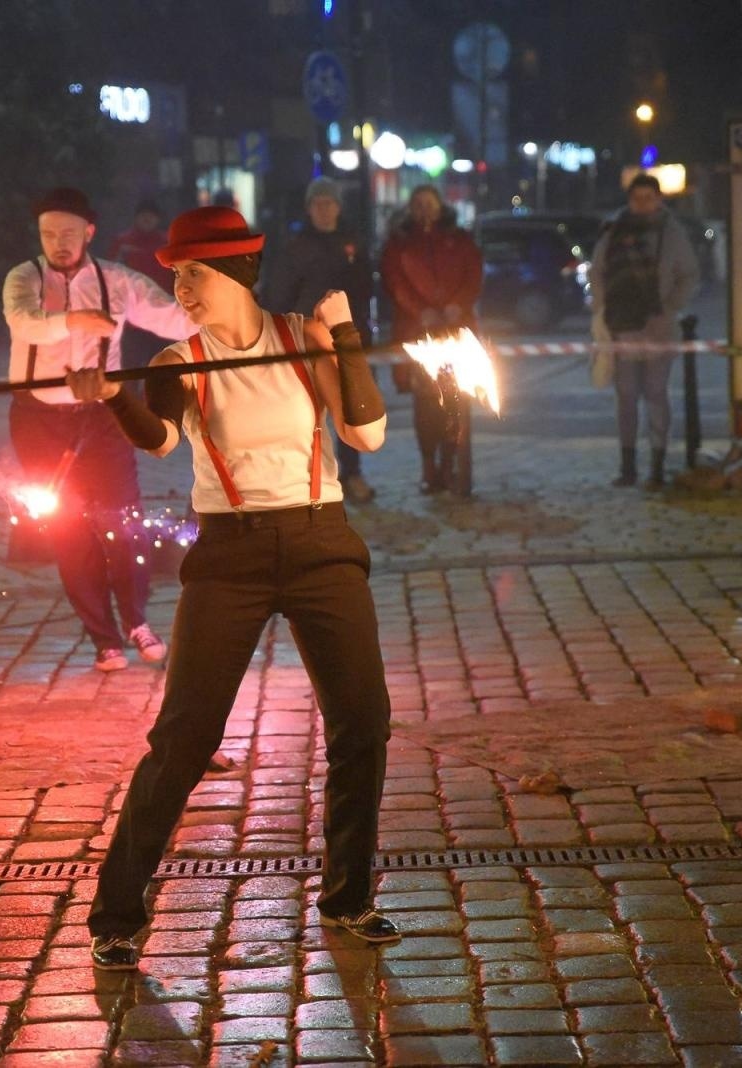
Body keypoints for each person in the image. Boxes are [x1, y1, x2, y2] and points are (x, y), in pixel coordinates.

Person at [65, 206, 398, 969]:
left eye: (193, 274)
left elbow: (367, 433)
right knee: (185, 736)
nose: (179, 288)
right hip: (230, 555)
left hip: (321, 541)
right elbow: (160, 440)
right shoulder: (178, 360)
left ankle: (350, 897)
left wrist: (343, 337)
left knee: (363, 725)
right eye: (174, 276)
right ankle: (116, 914)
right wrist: (114, 396)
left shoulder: (300, 337)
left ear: (237, 272)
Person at [2, 187, 193, 672]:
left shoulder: (118, 280)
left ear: (89, 232)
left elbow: (170, 317)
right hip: (39, 419)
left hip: (101, 418)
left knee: (123, 521)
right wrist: (74, 319)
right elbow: (25, 323)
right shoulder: (23, 277)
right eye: (48, 234)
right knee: (69, 531)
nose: (58, 242)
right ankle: (103, 637)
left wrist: (224, 312)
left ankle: (136, 620)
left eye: (68, 233)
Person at [266, 176, 377, 504]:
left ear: (339, 207)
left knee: (349, 408)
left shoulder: (353, 243)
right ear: (309, 208)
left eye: (330, 203)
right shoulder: (295, 247)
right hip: (307, 340)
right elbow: (279, 295)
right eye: (318, 203)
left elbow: (366, 291)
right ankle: (307, 477)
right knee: (305, 413)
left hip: (346, 338)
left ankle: (352, 473)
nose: (324, 209)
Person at [589, 173, 701, 489]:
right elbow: (597, 272)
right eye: (636, 198)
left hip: (658, 328)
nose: (641, 205)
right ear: (629, 200)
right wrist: (602, 308)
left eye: (647, 198)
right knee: (625, 396)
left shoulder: (671, 232)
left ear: (658, 200)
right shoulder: (613, 232)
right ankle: (628, 467)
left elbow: (689, 274)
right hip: (622, 326)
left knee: (655, 394)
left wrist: (669, 307)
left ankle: (656, 466)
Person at [379, 184, 483, 494]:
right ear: (411, 208)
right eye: (419, 203)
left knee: (454, 401)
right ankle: (429, 467)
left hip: (455, 331)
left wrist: (457, 306)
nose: (425, 209)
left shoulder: (460, 240)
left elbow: (473, 275)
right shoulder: (399, 243)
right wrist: (420, 310)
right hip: (417, 332)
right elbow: (394, 280)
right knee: (425, 406)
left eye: (430, 203)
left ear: (440, 206)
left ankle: (451, 464)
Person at [109, 198, 174, 371]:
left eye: (151, 216)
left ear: (158, 219)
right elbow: (111, 276)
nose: (147, 219)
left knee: (162, 368)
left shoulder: (168, 243)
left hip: (163, 316)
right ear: (136, 218)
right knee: (131, 368)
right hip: (132, 320)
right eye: (143, 215)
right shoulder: (123, 243)